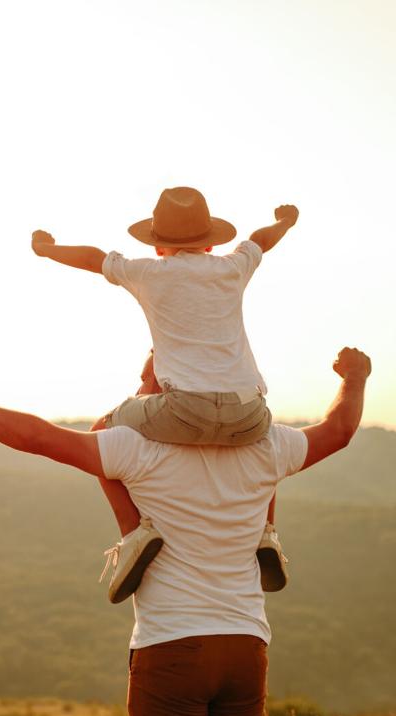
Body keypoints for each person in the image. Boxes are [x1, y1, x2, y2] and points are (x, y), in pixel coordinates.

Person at [0, 346, 371, 716]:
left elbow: (36, 437)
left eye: (147, 382)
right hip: (245, 648)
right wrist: (355, 377)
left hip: (171, 650)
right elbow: (340, 429)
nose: (139, 391)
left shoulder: (136, 449)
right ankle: (266, 533)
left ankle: (135, 533)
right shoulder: (268, 445)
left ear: (171, 389)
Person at [31, 187, 300, 602]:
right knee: (267, 443)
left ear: (158, 246)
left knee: (102, 429)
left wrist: (47, 249)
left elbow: (91, 256)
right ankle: (267, 533)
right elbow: (262, 239)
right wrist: (285, 220)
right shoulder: (233, 265)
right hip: (249, 413)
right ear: (210, 241)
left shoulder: (147, 273)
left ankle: (135, 535)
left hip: (184, 409)